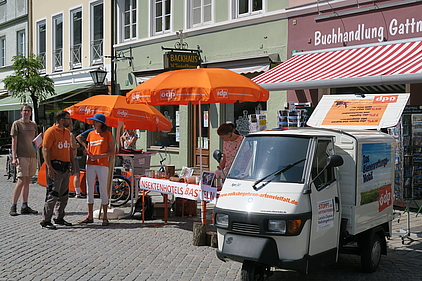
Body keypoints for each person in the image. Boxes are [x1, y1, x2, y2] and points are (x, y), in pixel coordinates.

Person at [40, 111, 75, 230]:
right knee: (52, 194)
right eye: (68, 119)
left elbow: (69, 149)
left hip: (65, 167)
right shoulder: (50, 131)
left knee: (64, 195)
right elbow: (45, 150)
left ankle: (59, 218)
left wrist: (73, 164)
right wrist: (49, 167)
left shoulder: (67, 132)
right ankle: (45, 220)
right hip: (55, 167)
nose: (70, 121)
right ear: (61, 120)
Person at [78, 113, 114, 226]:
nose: (92, 123)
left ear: (100, 123)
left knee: (103, 189)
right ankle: (89, 216)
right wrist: (85, 150)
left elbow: (112, 151)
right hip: (90, 163)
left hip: (102, 164)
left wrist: (99, 156)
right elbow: (89, 147)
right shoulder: (90, 134)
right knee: (89, 189)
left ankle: (105, 217)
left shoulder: (108, 134)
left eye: (94, 121)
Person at [9, 105, 39, 216]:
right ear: (21, 112)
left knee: (27, 181)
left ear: (31, 112)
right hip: (21, 156)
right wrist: (14, 157)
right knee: (21, 180)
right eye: (24, 110)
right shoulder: (16, 124)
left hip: (32, 155)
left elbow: (36, 140)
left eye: (28, 111)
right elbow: (14, 142)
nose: (26, 112)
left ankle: (24, 205)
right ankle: (13, 206)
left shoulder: (33, 125)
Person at [69, 122, 85, 199]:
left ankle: (67, 191)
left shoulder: (62, 134)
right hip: (72, 157)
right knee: (76, 174)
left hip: (65, 157)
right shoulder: (70, 135)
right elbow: (73, 146)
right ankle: (77, 193)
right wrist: (78, 144)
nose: (72, 126)